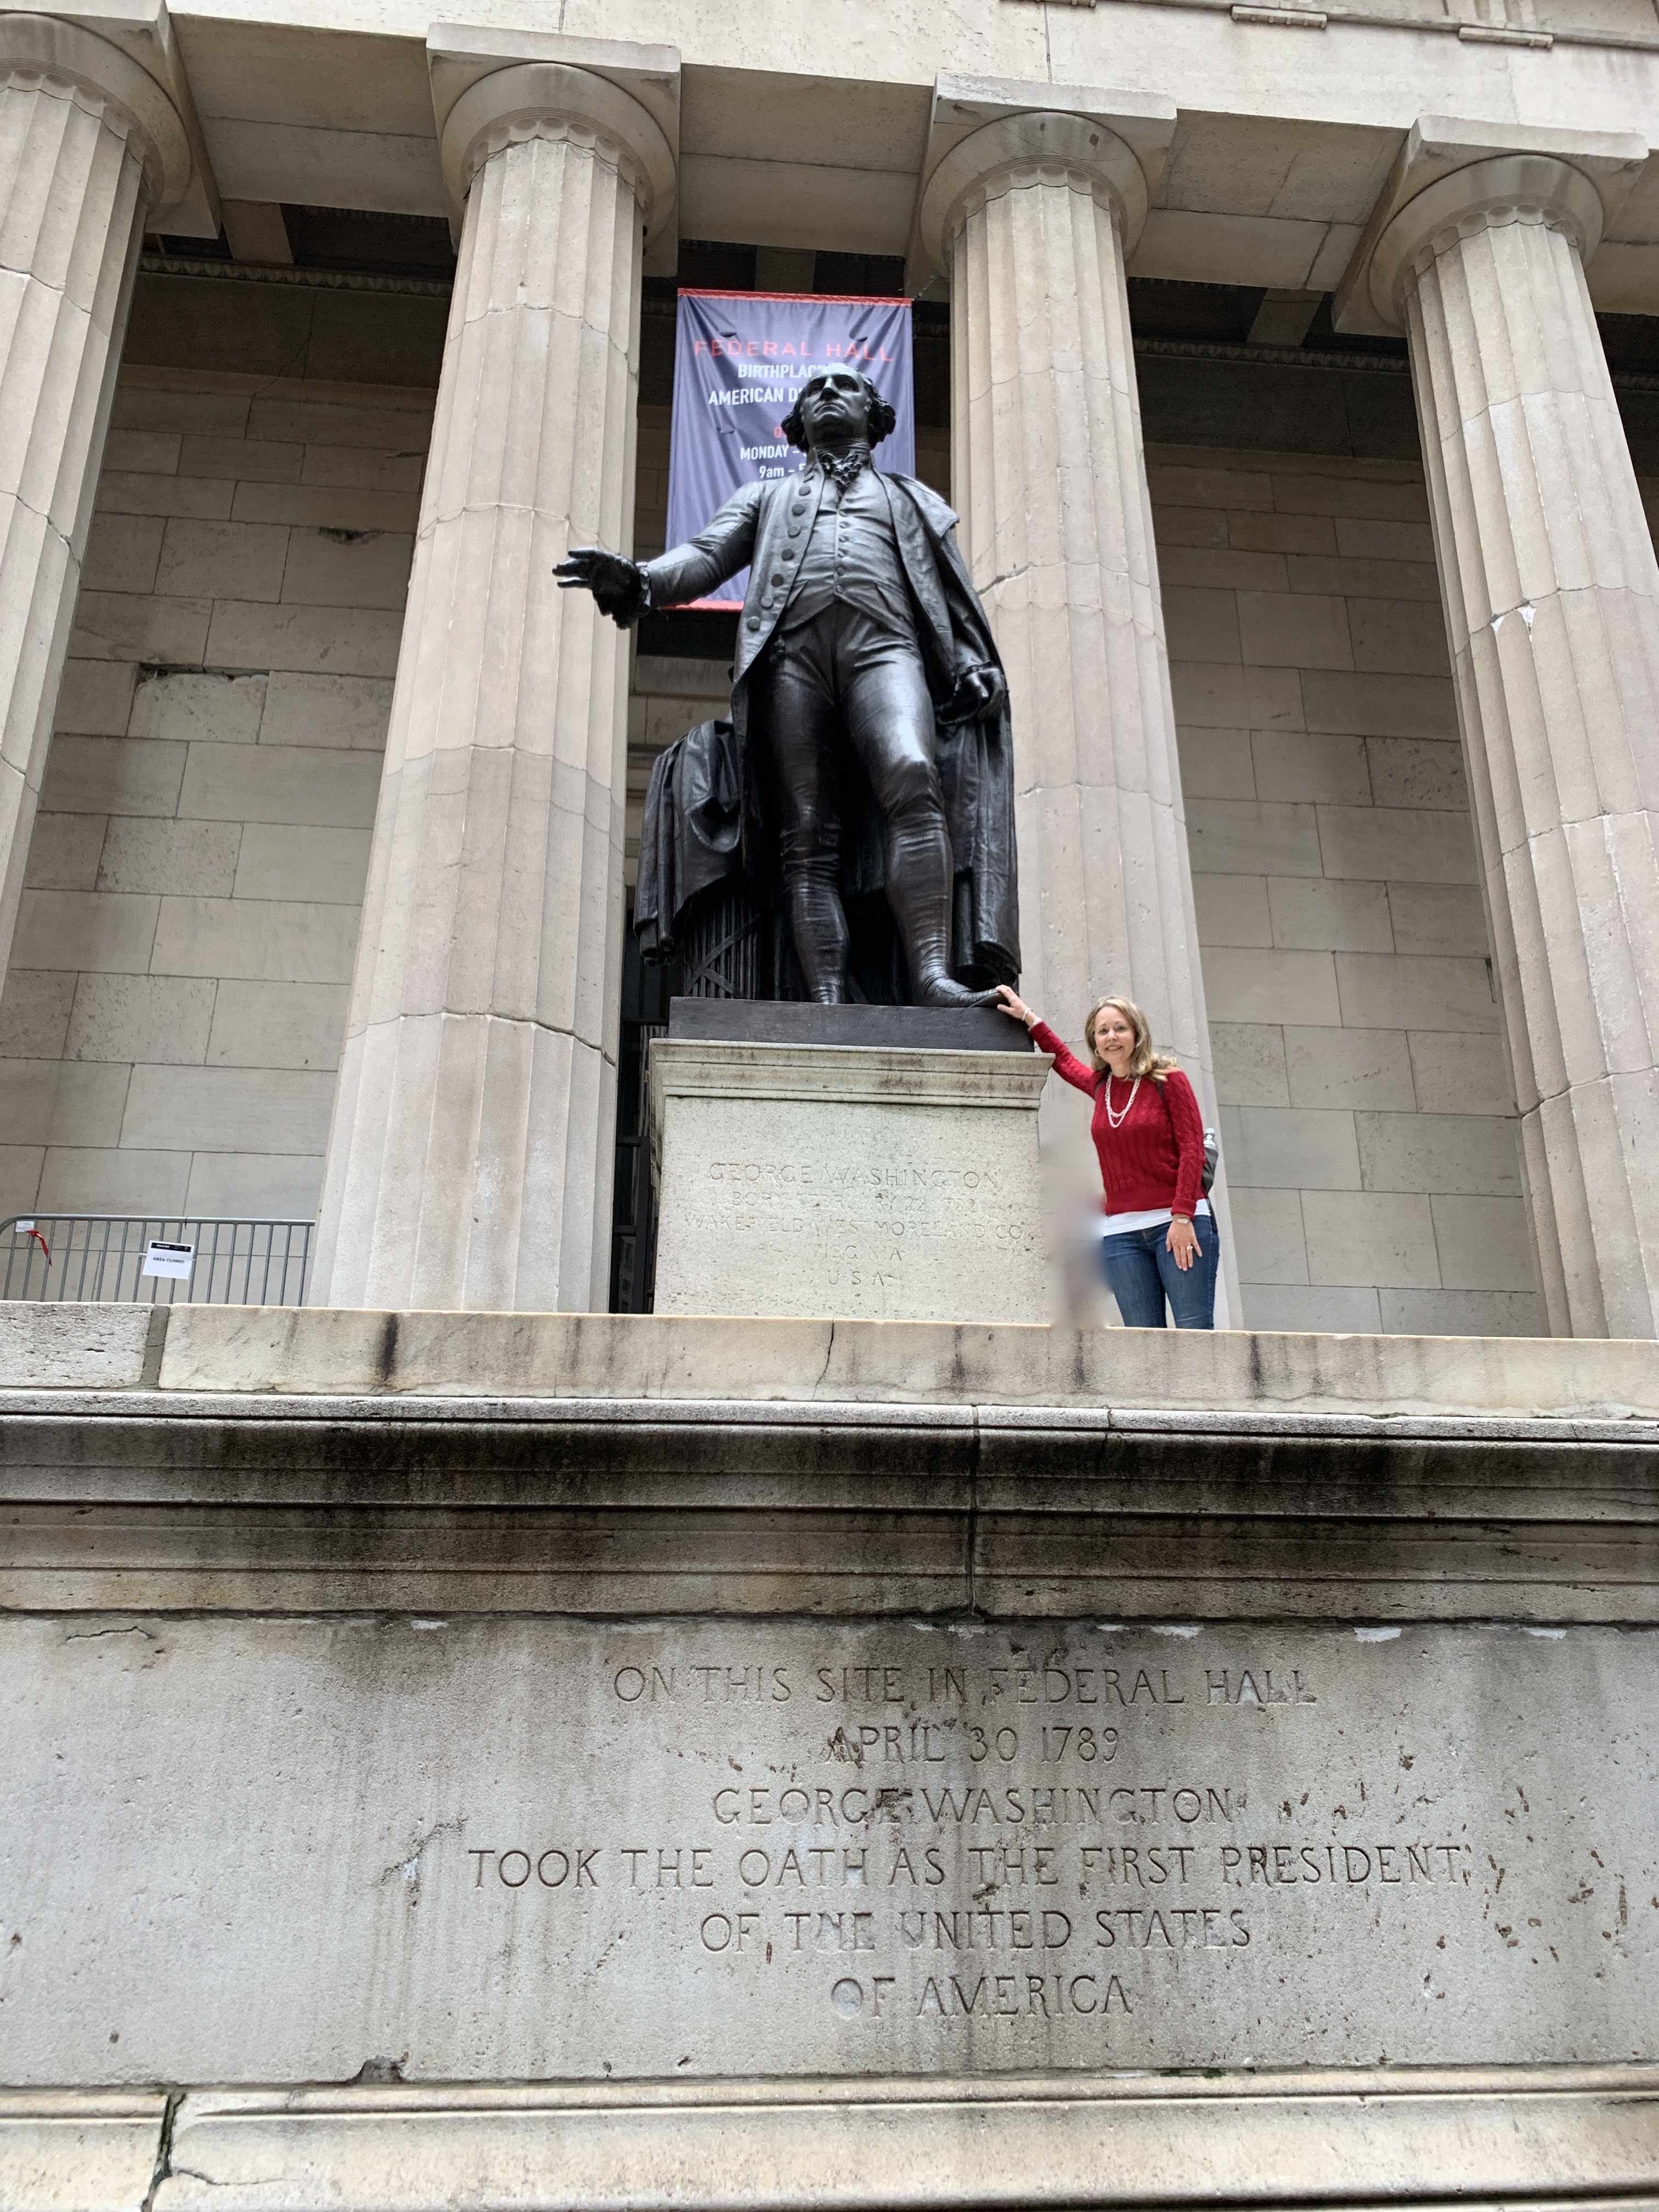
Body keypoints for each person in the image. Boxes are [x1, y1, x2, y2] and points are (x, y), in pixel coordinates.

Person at [555, 366, 1018, 1007]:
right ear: (797, 424)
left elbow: (947, 592)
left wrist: (970, 660)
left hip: (885, 650)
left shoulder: (910, 500)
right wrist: (642, 582)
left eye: (845, 386)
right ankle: (825, 999)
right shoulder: (766, 497)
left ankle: (932, 975)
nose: (828, 391)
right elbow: (706, 555)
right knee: (807, 833)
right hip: (790, 661)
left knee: (914, 774)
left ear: (875, 414)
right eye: (814, 389)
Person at [995, 985, 1220, 1330]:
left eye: (1120, 1028)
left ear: (1137, 1033)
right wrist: (1029, 1018)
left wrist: (1183, 1217)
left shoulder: (1169, 1080)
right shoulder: (1102, 1087)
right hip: (1122, 1233)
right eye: (1103, 1031)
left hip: (1176, 1222)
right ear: (1095, 1041)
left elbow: (1192, 1149)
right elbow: (1063, 1060)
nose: (1111, 1037)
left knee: (1194, 1333)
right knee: (1142, 1339)